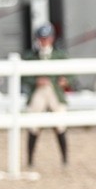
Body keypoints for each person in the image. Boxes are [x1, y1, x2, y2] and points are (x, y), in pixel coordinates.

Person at [23, 23, 70, 167]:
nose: (44, 41)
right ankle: (30, 160)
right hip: (39, 92)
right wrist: (35, 81)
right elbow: (24, 76)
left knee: (60, 125)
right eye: (42, 38)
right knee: (33, 125)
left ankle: (65, 159)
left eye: (47, 38)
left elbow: (70, 74)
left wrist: (64, 80)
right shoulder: (30, 56)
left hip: (54, 91)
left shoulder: (60, 55)